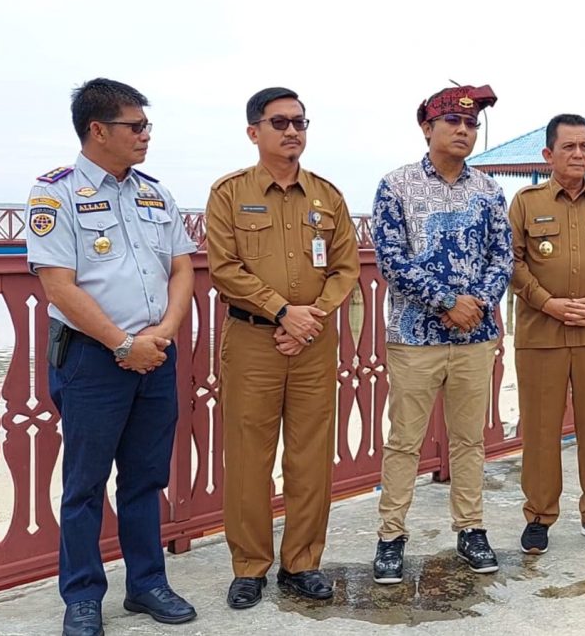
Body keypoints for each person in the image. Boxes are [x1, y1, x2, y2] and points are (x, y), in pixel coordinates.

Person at [25, 78, 197, 636]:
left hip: (155, 355)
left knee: (145, 478)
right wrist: (123, 344)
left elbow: (182, 268)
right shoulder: (55, 194)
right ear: (98, 130)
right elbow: (59, 286)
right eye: (136, 126)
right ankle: (81, 596)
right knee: (84, 484)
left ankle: (146, 584)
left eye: (146, 125)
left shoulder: (155, 193)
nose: (146, 135)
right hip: (94, 361)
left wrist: (163, 333)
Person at [205, 87, 360, 608]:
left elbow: (346, 267)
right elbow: (224, 268)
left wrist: (309, 318)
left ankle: (302, 562)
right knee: (249, 455)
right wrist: (281, 311)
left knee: (311, 455)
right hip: (253, 339)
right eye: (280, 122)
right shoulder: (228, 194)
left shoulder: (327, 196)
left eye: (300, 122)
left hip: (313, 341)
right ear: (254, 132)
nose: (293, 131)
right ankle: (249, 566)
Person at [370, 84, 512, 583]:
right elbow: (392, 258)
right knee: (404, 441)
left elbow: (503, 257)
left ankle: (471, 529)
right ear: (427, 128)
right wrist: (448, 301)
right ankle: (391, 536)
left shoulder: (489, 190)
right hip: (414, 336)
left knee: (469, 440)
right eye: (453, 122)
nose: (463, 131)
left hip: (476, 338)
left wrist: (478, 303)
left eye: (471, 124)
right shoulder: (397, 186)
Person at [509, 114, 585, 555]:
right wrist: (547, 302)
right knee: (541, 429)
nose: (578, 154)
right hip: (542, 331)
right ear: (548, 155)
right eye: (569, 147)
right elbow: (514, 262)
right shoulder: (525, 203)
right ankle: (540, 516)